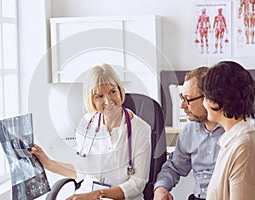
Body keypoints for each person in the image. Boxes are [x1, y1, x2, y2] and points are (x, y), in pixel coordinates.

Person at [32, 63, 152, 200]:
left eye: (113, 92)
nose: (108, 101)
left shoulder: (140, 129)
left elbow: (137, 184)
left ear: (120, 91)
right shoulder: (87, 124)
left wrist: (98, 194)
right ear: (92, 100)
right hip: (87, 193)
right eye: (99, 96)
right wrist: (48, 163)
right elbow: (81, 170)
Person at [153, 67, 224, 200]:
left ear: (208, 98)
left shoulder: (236, 133)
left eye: (188, 99)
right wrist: (160, 188)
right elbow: (174, 167)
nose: (182, 106)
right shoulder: (189, 131)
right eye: (182, 97)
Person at [203, 61, 255, 200]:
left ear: (216, 101)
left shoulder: (244, 146)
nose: (203, 103)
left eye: (205, 97)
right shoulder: (233, 139)